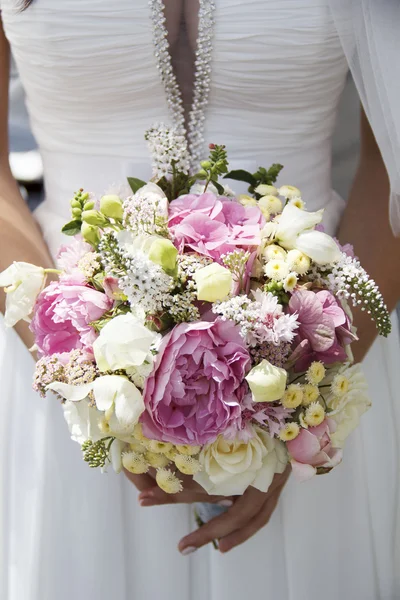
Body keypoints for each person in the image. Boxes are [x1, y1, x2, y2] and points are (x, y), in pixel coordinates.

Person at [1, 2, 400, 599]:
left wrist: (299, 411)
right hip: (54, 371)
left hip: (320, 351)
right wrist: (84, 376)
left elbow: (389, 170)